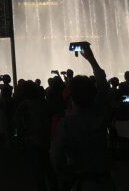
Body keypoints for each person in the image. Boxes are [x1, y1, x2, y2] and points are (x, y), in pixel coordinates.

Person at [50, 42, 114, 191]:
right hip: (105, 181)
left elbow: (56, 158)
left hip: (81, 182)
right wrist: (91, 59)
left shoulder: (66, 124)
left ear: (70, 97)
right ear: (93, 93)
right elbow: (104, 89)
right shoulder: (100, 114)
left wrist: (66, 175)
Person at [15, 80, 53, 191]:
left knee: (38, 170)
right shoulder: (44, 103)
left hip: (33, 139)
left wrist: (24, 131)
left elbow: (16, 120)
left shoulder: (25, 105)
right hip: (46, 138)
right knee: (48, 167)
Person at [0, 74, 14, 139]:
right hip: (9, 105)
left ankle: (4, 137)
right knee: (8, 122)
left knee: (3, 122)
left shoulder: (3, 86)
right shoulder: (11, 87)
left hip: (3, 105)